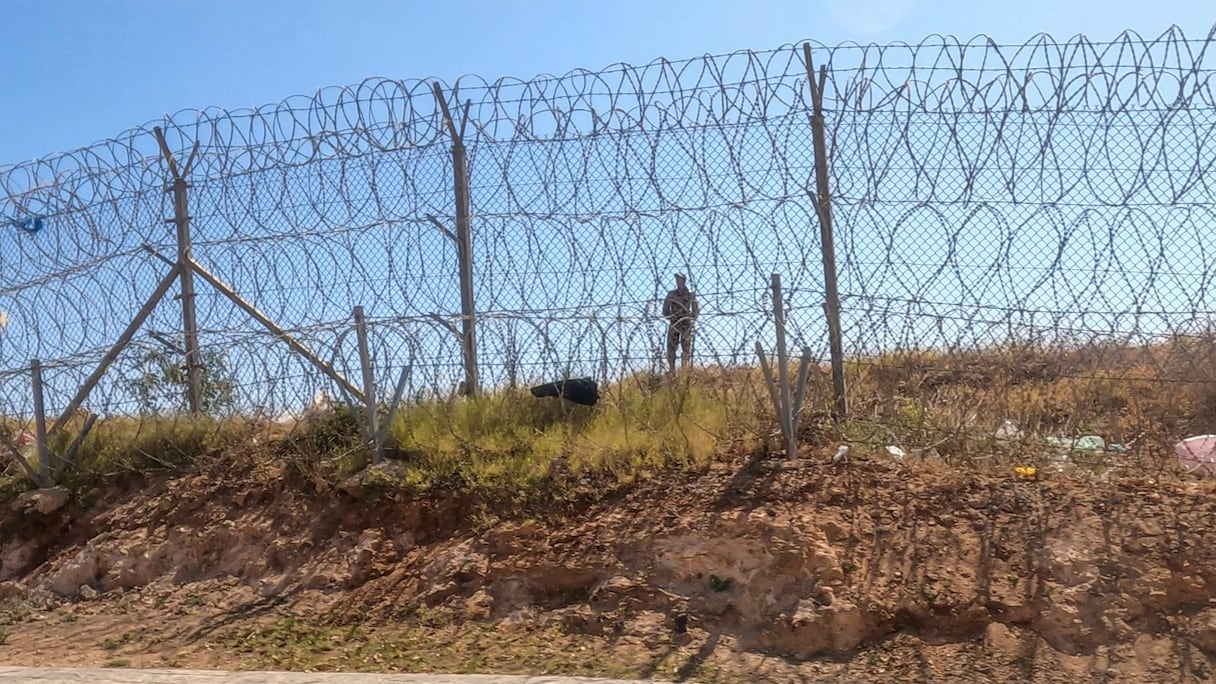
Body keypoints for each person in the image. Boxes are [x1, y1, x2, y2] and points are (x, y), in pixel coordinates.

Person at [662, 272, 699, 373]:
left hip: (686, 324)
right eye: (677, 279)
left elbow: (696, 310)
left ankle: (684, 370)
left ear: (684, 281)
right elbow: (665, 310)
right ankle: (672, 370)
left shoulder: (690, 294)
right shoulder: (671, 294)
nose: (678, 281)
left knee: (686, 348)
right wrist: (671, 316)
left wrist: (691, 316)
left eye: (680, 279)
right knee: (671, 348)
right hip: (674, 323)